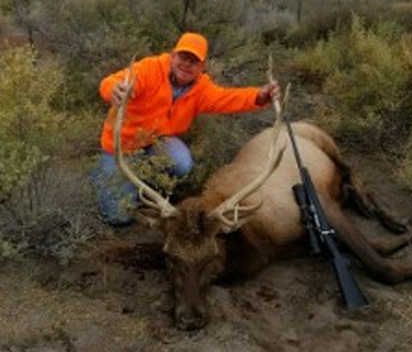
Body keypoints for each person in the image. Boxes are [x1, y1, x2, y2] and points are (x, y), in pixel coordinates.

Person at [91, 32, 280, 226]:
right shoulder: (150, 69)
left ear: (202, 66)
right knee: (117, 216)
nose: (187, 65)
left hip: (156, 143)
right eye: (183, 57)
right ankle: (110, 174)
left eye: (194, 61)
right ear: (173, 56)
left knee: (182, 163)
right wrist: (114, 89)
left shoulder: (201, 89)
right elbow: (115, 81)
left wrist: (259, 97)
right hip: (120, 149)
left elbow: (227, 98)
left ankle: (146, 183)